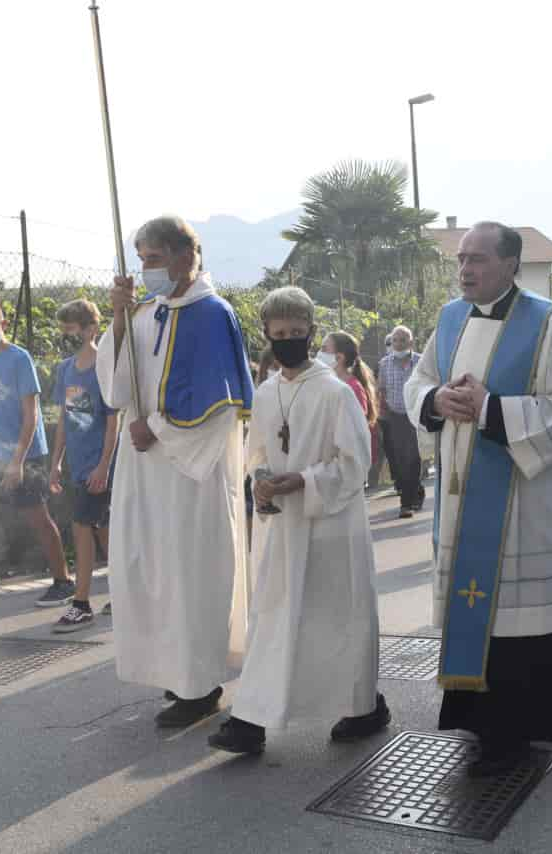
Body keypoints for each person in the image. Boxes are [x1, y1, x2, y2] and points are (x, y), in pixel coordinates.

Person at [405, 221, 552, 777]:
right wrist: (437, 400)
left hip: (524, 505)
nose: (465, 269)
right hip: (463, 497)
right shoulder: (450, 317)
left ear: (511, 263)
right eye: (461, 259)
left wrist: (489, 410)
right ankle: (480, 722)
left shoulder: (547, 321)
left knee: (521, 624)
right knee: (478, 611)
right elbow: (417, 382)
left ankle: (522, 728)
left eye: (477, 259)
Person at [208, 287, 387, 754]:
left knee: (336, 620)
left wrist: (303, 480)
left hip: (330, 527)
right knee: (272, 617)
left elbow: (355, 463)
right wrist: (263, 481)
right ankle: (251, 721)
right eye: (279, 332)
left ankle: (363, 706)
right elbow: (258, 453)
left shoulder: (334, 392)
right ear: (267, 334)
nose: (288, 339)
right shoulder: (266, 392)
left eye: (297, 331)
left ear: (310, 332)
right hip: (282, 526)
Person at [96, 215, 253, 728]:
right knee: (153, 569)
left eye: (154, 260)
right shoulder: (144, 312)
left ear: (187, 256)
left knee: (189, 572)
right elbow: (117, 392)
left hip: (191, 473)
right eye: (141, 261)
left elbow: (222, 404)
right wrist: (118, 320)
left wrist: (156, 430)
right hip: (146, 470)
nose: (146, 271)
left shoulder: (213, 315)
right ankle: (173, 669)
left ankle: (200, 684)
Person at [0, 298, 72, 608]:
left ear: (2, 325)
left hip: (25, 451)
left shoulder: (20, 359)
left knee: (36, 516)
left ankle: (63, 581)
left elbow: (31, 415)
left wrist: (17, 462)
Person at [47, 300, 119, 632]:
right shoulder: (65, 370)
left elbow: (112, 419)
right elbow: (65, 416)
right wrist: (56, 462)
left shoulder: (103, 368)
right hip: (77, 464)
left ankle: (81, 602)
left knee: (83, 526)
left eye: (70, 329)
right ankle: (121, 593)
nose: (65, 335)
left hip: (98, 463)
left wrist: (104, 465)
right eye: (63, 329)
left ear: (91, 329)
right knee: (99, 529)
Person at [377, 325, 425, 518]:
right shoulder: (385, 363)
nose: (398, 344)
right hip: (394, 417)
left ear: (411, 342)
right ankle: (410, 498)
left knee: (413, 457)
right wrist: (383, 411)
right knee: (399, 459)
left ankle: (411, 498)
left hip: (415, 415)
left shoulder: (420, 362)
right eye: (395, 340)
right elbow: (381, 389)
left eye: (403, 340)